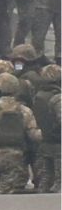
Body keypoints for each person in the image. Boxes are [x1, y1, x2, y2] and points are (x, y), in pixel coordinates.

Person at [31, 64, 61, 193]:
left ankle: (41, 201)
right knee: (59, 179)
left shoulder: (38, 96)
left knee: (45, 177)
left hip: (44, 141)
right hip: (58, 142)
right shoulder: (57, 98)